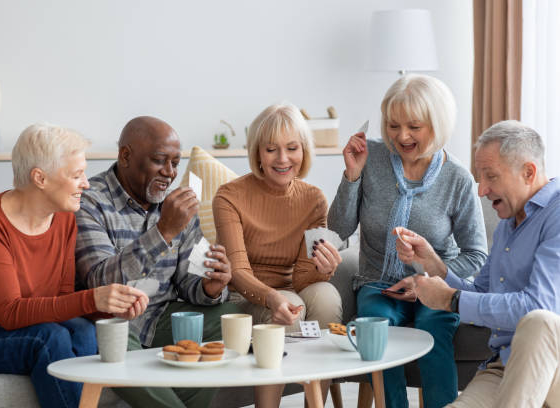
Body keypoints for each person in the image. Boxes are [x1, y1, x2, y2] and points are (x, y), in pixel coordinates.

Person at [0, 123, 149, 408]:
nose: (87, 183)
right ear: (40, 178)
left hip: (14, 330)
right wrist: (92, 297)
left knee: (83, 331)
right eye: (76, 175)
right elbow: (10, 313)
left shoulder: (64, 218)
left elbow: (61, 301)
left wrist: (108, 307)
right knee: (47, 339)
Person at [327, 74, 488, 408]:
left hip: (436, 286)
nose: (401, 136)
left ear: (437, 123)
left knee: (433, 334)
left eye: (414, 126)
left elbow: (476, 256)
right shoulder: (370, 156)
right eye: (394, 125)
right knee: (377, 333)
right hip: (377, 284)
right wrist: (352, 175)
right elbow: (339, 229)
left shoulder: (457, 178)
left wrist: (425, 279)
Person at [390, 120, 560, 407]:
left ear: (528, 172)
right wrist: (435, 266)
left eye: (491, 177)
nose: (481, 190)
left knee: (539, 321)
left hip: (553, 366)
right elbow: (481, 294)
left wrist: (452, 300)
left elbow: (538, 307)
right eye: (480, 178)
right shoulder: (509, 221)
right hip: (502, 368)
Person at [75, 116, 240, 408]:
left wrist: (210, 286)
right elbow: (100, 282)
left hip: (162, 317)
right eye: (159, 160)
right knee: (112, 338)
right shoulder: (89, 201)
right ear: (125, 156)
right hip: (114, 321)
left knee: (231, 320)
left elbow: (188, 282)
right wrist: (163, 231)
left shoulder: (177, 204)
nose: (170, 172)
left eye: (176, 163)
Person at [213, 102, 343, 407]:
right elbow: (237, 271)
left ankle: (315, 404)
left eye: (292, 148)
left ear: (304, 151)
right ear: (258, 152)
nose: (283, 159)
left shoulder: (313, 199)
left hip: (291, 291)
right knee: (293, 307)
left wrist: (323, 269)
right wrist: (274, 298)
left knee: (326, 295)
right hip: (245, 297)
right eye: (271, 149)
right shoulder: (229, 197)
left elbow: (302, 276)